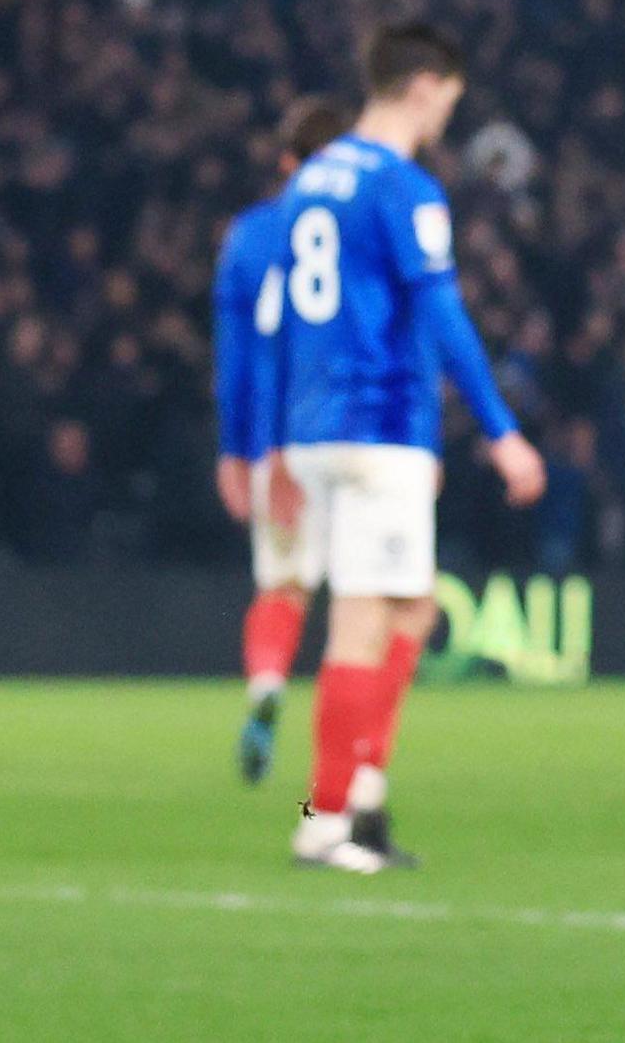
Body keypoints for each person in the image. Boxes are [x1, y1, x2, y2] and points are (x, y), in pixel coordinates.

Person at [269, 26, 547, 873]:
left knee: (414, 609)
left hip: (318, 422)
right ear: (424, 86)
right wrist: (501, 431)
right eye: (449, 102)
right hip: (376, 426)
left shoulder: (310, 179)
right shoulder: (404, 185)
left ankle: (364, 791)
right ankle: (325, 817)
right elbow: (442, 313)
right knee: (363, 619)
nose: (445, 121)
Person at [211, 95, 353, 787]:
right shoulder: (362, 227)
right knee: (369, 610)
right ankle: (339, 783)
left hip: (282, 442)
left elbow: (241, 357)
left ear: (286, 161)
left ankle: (268, 687)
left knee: (283, 588)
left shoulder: (250, 235)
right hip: (364, 438)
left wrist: (243, 451)